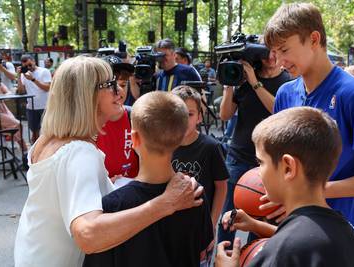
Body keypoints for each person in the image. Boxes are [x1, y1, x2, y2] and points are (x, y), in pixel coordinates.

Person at [14, 56, 204, 267]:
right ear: (87, 95)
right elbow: (88, 234)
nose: (119, 91)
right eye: (110, 84)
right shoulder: (79, 152)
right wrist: (166, 203)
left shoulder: (48, 139)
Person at [265, 2, 354, 242]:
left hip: (338, 237)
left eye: (284, 50)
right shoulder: (285, 94)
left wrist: (314, 192)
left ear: (314, 39)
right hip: (291, 232)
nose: (278, 61)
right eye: (275, 52)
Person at [216, 107, 354, 267]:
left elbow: (292, 246)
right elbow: (306, 242)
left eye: (261, 162)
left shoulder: (281, 253)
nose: (258, 172)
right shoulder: (346, 230)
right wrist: (256, 226)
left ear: (288, 167)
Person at [83, 91, 213, 267]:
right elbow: (202, 250)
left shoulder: (112, 206)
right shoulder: (195, 193)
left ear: (134, 138)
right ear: (182, 136)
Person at [218, 46, 291, 245]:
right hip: (239, 156)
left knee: (263, 218)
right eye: (266, 51)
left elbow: (278, 110)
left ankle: (254, 255)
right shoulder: (243, 80)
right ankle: (223, 256)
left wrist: (254, 82)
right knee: (228, 216)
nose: (272, 56)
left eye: (276, 51)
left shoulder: (289, 82)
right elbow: (224, 115)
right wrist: (229, 84)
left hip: (271, 162)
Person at [171, 85, 228, 233]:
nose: (183, 120)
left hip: (200, 225)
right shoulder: (164, 146)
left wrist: (212, 223)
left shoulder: (211, 147)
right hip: (169, 224)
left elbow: (221, 186)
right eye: (177, 113)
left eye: (189, 114)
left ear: (199, 117)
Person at [96, 55, 139, 181]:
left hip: (132, 193)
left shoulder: (134, 117)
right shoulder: (86, 123)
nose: (119, 91)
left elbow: (144, 158)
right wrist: (107, 184)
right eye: (111, 85)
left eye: (123, 85)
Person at [0, 67, 27, 153]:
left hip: (3, 108)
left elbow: (9, 92)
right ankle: (24, 148)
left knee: (16, 126)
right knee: (17, 124)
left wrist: (3, 96)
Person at [16, 54, 52, 144]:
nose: (28, 67)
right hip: (31, 107)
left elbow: (47, 88)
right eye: (25, 66)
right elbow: (21, 91)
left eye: (30, 64)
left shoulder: (44, 71)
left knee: (47, 132)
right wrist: (18, 76)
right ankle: (35, 153)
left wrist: (33, 79)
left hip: (45, 106)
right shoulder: (24, 74)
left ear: (34, 61)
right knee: (34, 133)